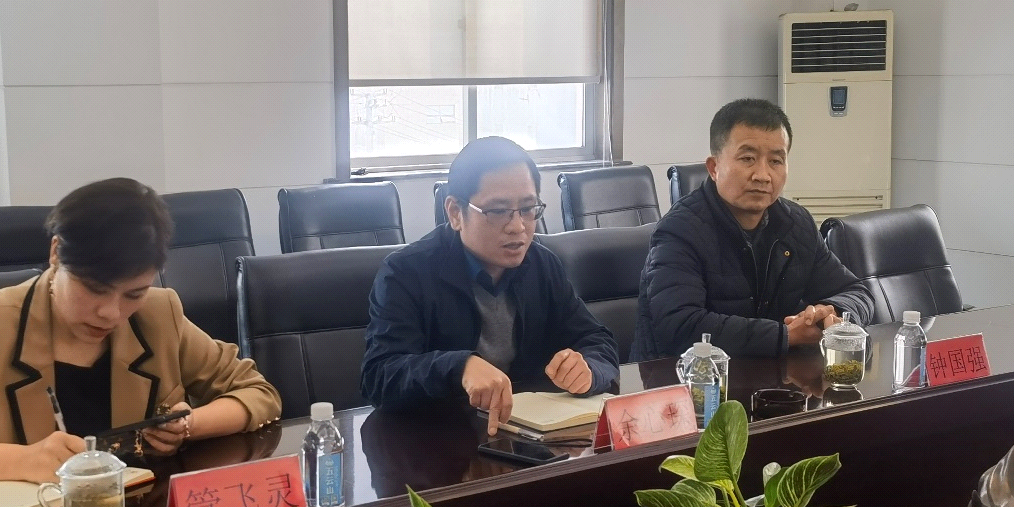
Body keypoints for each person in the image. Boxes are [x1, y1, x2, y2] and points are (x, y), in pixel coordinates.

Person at [0, 178, 281, 489]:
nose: (111, 313)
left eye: (133, 293)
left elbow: (258, 393)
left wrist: (190, 425)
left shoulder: (159, 313)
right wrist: (25, 461)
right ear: (55, 254)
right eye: (95, 289)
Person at [361, 137, 619, 434]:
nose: (518, 226)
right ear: (455, 213)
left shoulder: (542, 265)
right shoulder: (406, 272)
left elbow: (597, 339)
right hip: (438, 440)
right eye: (497, 211)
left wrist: (588, 368)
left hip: (528, 436)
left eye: (528, 208)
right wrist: (459, 367)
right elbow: (379, 376)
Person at [634, 99, 874, 360]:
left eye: (776, 161)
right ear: (714, 168)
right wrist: (785, 336)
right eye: (748, 159)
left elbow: (857, 292)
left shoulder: (796, 224)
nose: (763, 175)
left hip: (772, 376)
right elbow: (680, 326)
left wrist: (830, 316)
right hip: (683, 378)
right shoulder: (680, 230)